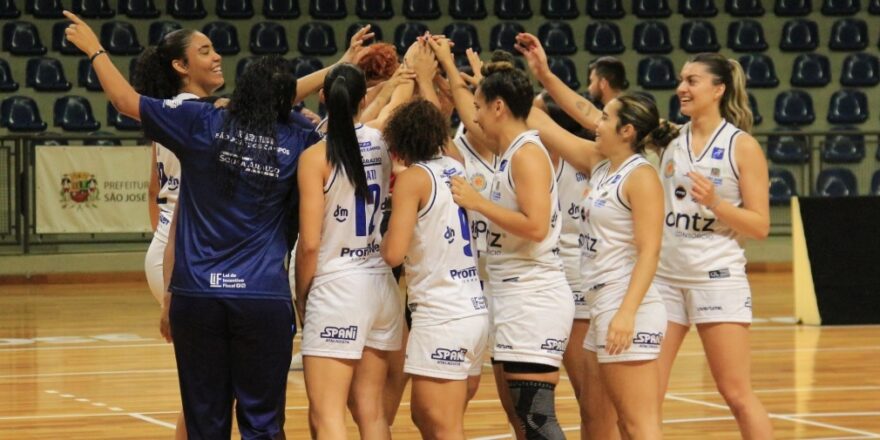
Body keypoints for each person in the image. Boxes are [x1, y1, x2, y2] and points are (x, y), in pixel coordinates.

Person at [62, 11, 371, 438]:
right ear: (287, 102)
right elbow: (343, 137)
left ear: (243, 93)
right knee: (262, 423)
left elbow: (124, 102)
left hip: (197, 294)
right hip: (262, 297)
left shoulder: (202, 121)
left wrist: (95, 49)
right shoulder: (301, 140)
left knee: (205, 421)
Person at [439, 48, 575, 437]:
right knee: (521, 420)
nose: (475, 116)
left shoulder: (527, 154)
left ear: (498, 107)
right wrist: (449, 68)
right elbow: (468, 115)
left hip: (534, 294)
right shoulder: (509, 150)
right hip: (511, 292)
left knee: (536, 417)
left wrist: (478, 202)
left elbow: (534, 225)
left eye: (481, 106)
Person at [294, 56, 423, 439]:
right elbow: (394, 104)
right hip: (382, 289)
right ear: (361, 100)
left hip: (338, 288)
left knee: (328, 413)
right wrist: (410, 66)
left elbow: (311, 243)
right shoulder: (382, 139)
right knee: (372, 412)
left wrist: (303, 296)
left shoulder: (314, 157)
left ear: (322, 97)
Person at [655, 53, 773, 439]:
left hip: (716, 279)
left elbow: (760, 226)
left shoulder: (742, 146)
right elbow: (593, 117)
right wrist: (544, 75)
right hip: (665, 281)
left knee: (735, 392)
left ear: (718, 89)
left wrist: (717, 204)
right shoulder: (670, 138)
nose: (681, 88)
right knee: (644, 396)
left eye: (692, 81)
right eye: (681, 80)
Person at [133, 27, 225, 440]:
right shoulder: (195, 114)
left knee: (213, 387)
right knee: (210, 388)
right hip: (182, 254)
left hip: (173, 246)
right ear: (181, 66)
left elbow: (155, 194)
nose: (217, 55)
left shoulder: (169, 115)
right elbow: (277, 97)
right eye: (205, 50)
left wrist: (165, 238)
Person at [380, 98, 490, 440]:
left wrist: (376, 240)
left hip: (442, 314)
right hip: (473, 310)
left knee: (440, 424)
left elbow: (394, 254)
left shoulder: (414, 180)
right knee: (426, 417)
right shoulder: (456, 166)